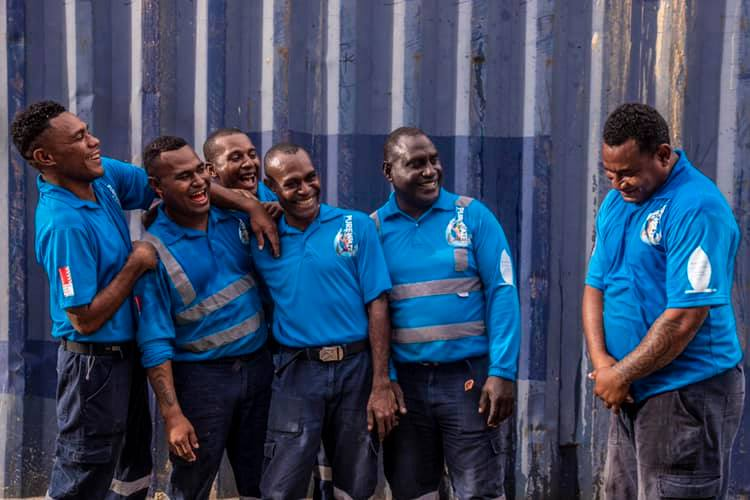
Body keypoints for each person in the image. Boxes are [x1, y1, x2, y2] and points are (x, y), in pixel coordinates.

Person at [583, 103, 745, 499]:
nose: (618, 184)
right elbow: (595, 287)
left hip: (685, 393)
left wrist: (619, 375)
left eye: (628, 173)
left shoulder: (696, 207)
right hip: (630, 386)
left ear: (662, 154)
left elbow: (685, 318)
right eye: (609, 174)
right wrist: (603, 363)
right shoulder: (618, 203)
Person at [10, 100, 155, 499]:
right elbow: (84, 319)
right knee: (84, 473)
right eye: (79, 138)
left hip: (127, 357)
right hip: (93, 366)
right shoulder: (64, 224)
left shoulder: (101, 178)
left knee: (132, 470)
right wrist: (136, 262)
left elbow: (164, 182)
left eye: (87, 131)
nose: (94, 142)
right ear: (45, 157)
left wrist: (248, 204)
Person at [371, 127, 521, 499]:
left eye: (434, 160)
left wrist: (502, 371)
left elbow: (503, 293)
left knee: (479, 491)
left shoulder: (472, 217)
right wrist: (385, 380)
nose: (431, 171)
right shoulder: (372, 230)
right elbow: (374, 313)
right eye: (416, 164)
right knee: (413, 490)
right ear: (389, 172)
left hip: (468, 383)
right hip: (406, 387)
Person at [251, 143, 397, 499]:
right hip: (296, 373)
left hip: (356, 370)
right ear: (271, 187)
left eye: (311, 177)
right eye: (292, 183)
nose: (305, 189)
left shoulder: (355, 225)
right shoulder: (261, 237)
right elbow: (202, 188)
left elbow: (377, 303)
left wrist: (381, 383)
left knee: (355, 481)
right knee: (282, 481)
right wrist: (249, 205)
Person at [136, 136, 272, 500]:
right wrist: (173, 415)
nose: (198, 182)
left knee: (261, 482)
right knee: (191, 487)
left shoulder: (237, 216)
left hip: (260, 370)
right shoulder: (155, 252)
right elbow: (154, 340)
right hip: (201, 383)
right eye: (183, 177)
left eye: (201, 171)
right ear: (157, 187)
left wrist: (250, 204)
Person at [203, 127, 282, 216]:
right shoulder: (207, 211)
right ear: (211, 170)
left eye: (252, 155)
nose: (249, 163)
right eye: (236, 158)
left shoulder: (270, 194)